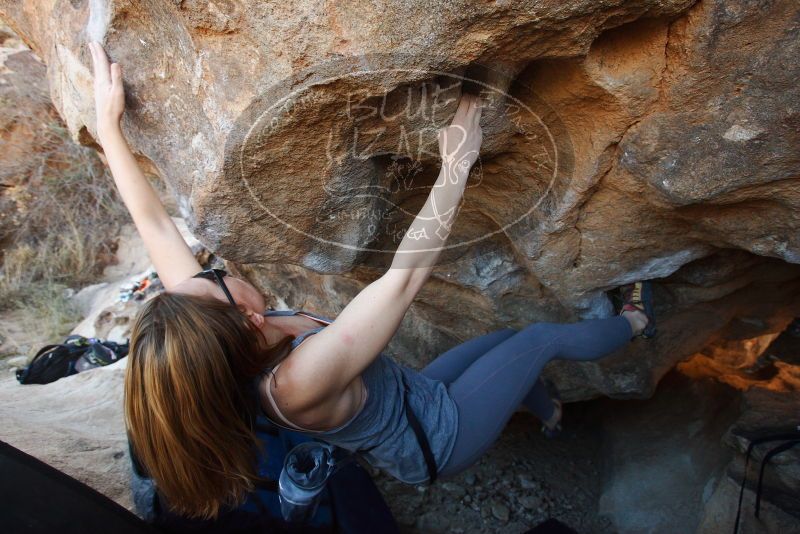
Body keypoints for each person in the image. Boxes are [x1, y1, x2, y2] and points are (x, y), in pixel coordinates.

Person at [88, 41, 655, 520]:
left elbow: (157, 228)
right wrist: (455, 165)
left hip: (417, 395)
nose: (213, 270)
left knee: (507, 347)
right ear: (248, 317)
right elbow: (401, 282)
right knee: (537, 339)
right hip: (439, 439)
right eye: (217, 279)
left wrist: (110, 130)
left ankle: (550, 415)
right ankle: (636, 321)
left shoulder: (223, 335)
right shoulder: (297, 381)